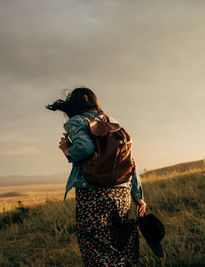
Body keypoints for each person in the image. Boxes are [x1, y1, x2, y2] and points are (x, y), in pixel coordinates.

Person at [46, 87, 147, 266]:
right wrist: (138, 197)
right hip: (122, 194)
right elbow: (130, 160)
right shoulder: (114, 122)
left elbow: (84, 148)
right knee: (119, 246)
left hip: (94, 195)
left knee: (97, 249)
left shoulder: (78, 121)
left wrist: (66, 149)